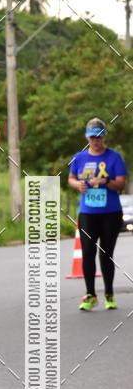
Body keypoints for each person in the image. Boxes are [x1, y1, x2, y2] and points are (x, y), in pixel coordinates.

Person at [68, 118, 128, 310]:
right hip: (88, 213)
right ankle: (90, 295)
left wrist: (105, 181)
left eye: (99, 137)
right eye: (92, 137)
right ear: (87, 137)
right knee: (87, 253)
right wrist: (79, 184)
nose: (96, 141)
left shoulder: (114, 157)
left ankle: (109, 294)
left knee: (106, 254)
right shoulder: (79, 158)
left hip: (110, 212)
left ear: (104, 137)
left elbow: (121, 183)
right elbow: (71, 178)